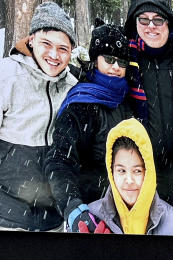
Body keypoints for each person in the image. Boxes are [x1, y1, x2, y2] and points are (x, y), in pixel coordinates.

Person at [0, 1, 78, 231]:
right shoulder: (2, 77)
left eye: (63, 48)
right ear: (31, 39)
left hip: (52, 218)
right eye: (47, 44)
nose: (54, 55)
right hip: (6, 213)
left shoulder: (72, 87)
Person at [46, 21, 135, 232]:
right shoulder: (81, 103)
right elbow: (59, 160)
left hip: (127, 212)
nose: (116, 67)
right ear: (95, 60)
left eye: (122, 61)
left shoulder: (127, 100)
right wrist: (74, 207)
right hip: (94, 215)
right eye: (110, 59)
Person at [80, 119, 173, 235]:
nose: (129, 180)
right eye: (121, 170)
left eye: (137, 171)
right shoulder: (91, 220)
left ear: (148, 172)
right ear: (111, 172)